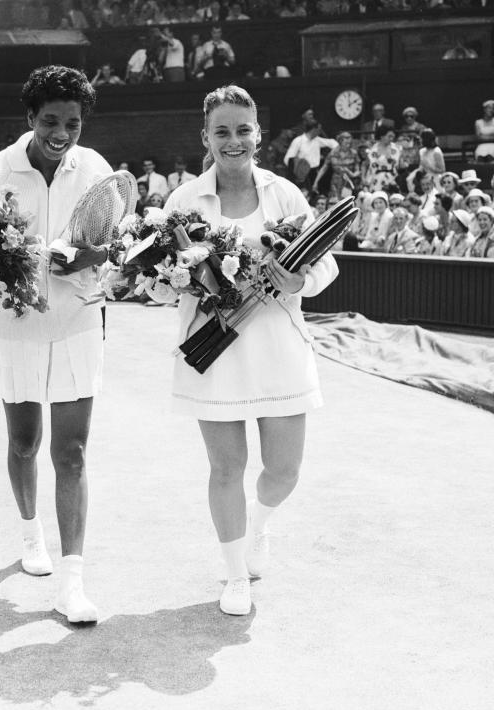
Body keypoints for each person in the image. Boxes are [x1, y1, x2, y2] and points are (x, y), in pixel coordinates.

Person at [163, 84, 339, 616]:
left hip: (280, 351)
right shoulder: (182, 201)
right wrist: (183, 280)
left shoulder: (286, 194)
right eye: (222, 131)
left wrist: (295, 282)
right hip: (212, 352)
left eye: (243, 130)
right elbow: (158, 279)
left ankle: (258, 526)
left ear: (257, 135)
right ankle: (235, 572)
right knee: (225, 469)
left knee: (284, 472)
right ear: (206, 138)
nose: (233, 140)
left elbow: (326, 265)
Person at [0, 65, 112, 624]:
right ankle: (32, 536)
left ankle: (73, 585)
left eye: (73, 122)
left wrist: (87, 257)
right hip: (16, 328)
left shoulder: (95, 168)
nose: (62, 133)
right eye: (51, 120)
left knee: (71, 452)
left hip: (77, 320)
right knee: (24, 442)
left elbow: (111, 243)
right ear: (29, 118)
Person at [283, 120, 337, 191]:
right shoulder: (298, 141)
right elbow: (287, 159)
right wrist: (297, 171)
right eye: (319, 129)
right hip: (302, 175)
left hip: (315, 173)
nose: (320, 131)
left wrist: (333, 152)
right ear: (314, 129)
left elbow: (332, 143)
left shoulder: (317, 140)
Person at [313, 131, 360, 203]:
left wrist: (352, 174)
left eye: (349, 143)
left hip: (348, 182)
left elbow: (358, 170)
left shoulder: (354, 153)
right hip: (336, 182)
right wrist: (316, 182)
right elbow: (324, 168)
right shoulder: (333, 152)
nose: (348, 145)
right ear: (340, 142)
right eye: (346, 143)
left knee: (347, 202)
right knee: (335, 202)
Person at [363, 124, 401, 193]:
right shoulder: (373, 149)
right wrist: (365, 180)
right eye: (389, 136)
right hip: (375, 179)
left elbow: (396, 165)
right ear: (382, 136)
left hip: (391, 180)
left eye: (392, 137)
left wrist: (389, 158)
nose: (391, 139)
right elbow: (369, 166)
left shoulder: (395, 148)